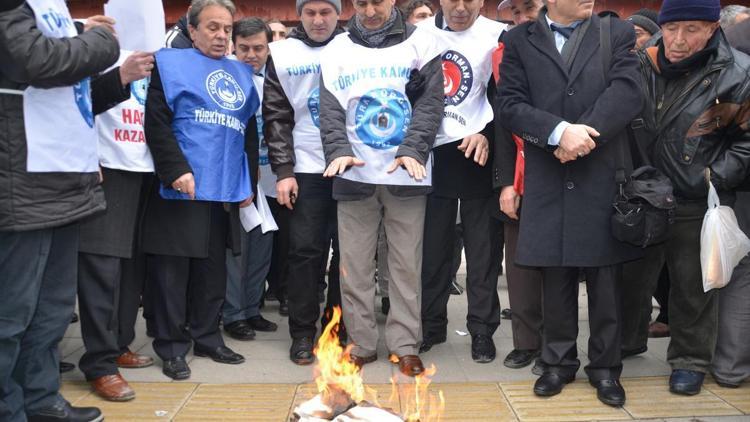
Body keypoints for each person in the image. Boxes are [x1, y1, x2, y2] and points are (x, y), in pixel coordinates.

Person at [497, 0, 644, 407]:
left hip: (601, 172)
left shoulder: (615, 33)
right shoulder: (518, 39)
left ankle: (605, 368)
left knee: (605, 279)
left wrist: (581, 139)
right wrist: (558, 132)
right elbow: (508, 104)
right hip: (548, 173)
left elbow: (628, 92)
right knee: (555, 272)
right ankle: (558, 362)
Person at [622, 0, 750, 396]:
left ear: (713, 28)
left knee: (693, 285)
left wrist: (712, 177)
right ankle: (625, 342)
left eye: (692, 29)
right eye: (673, 28)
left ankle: (690, 359)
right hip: (640, 193)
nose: (679, 40)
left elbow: (746, 142)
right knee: (629, 278)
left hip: (695, 197)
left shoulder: (737, 74)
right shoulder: (639, 62)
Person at [0, 0, 119, 420]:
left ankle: (39, 398)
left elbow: (70, 90)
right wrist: (99, 39)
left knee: (50, 310)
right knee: (12, 313)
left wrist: (86, 33)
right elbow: (32, 59)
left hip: (62, 181)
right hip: (23, 182)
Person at [319, 0, 444, 377]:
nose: (370, 10)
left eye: (377, 1)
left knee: (406, 265)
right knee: (354, 265)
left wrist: (411, 149)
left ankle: (405, 344)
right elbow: (329, 110)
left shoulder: (422, 43)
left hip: (407, 173)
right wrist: (339, 150)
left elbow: (431, 103)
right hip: (354, 175)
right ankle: (361, 342)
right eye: (361, 2)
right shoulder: (337, 49)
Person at [142, 0, 260, 380]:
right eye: (212, 27)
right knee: (172, 272)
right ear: (192, 31)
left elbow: (249, 132)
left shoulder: (240, 74)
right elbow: (156, 121)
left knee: (212, 269)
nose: (221, 35)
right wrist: (175, 169)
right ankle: (172, 346)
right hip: (182, 185)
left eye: (226, 28)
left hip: (223, 188)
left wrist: (249, 184)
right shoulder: (169, 64)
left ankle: (208, 336)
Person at [417, 0, 507, 364]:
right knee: (432, 252)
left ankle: (482, 330)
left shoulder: (497, 34)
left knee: (483, 254)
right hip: (432, 157)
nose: (460, 6)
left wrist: (488, 133)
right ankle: (431, 324)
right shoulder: (419, 35)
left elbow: (508, 99)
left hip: (478, 154)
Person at [264, 0, 345, 365]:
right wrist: (284, 171)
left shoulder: (354, 47)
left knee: (350, 258)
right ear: (299, 14)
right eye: (310, 12)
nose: (317, 20)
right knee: (304, 254)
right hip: (306, 169)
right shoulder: (281, 53)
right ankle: (302, 333)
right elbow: (276, 116)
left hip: (352, 167)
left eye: (325, 11)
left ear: (338, 13)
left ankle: (337, 329)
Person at [77, 50, 156, 402]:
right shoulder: (88, 41)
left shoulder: (158, 48)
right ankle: (100, 364)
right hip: (106, 168)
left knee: (130, 270)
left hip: (147, 170)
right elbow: (72, 103)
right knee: (101, 270)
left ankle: (118, 343)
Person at [493, 0, 546, 373]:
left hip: (564, 169)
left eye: (531, 9)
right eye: (516, 12)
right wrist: (505, 182)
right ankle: (526, 342)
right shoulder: (501, 55)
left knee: (559, 268)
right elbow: (500, 124)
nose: (523, 18)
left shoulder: (576, 49)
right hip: (519, 173)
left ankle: (557, 346)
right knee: (519, 265)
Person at [221, 17, 279, 341]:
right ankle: (233, 314)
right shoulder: (225, 78)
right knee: (236, 252)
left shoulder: (273, 79)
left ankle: (252, 308)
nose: (251, 54)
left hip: (269, 178)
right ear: (233, 46)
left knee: (262, 248)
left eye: (258, 48)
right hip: (238, 178)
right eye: (244, 48)